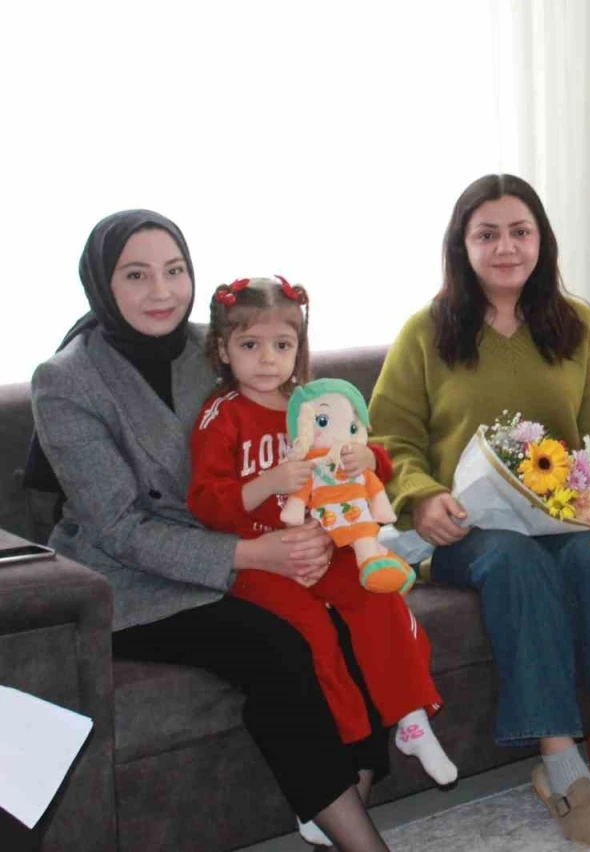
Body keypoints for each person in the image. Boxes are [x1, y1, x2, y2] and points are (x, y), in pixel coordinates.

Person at [28, 210, 394, 852]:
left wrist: (316, 529)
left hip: (244, 535)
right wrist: (254, 552)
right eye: (136, 275)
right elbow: (120, 527)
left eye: (174, 271)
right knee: (275, 648)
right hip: (128, 579)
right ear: (101, 284)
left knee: (354, 610)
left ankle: (342, 804)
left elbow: (304, 438)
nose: (161, 291)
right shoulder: (66, 380)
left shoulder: (227, 344)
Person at [369, 174, 590, 847]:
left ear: (541, 241)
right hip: (462, 528)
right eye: (488, 234)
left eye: (520, 232)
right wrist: (420, 495)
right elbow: (389, 438)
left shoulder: (576, 324)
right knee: (516, 561)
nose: (506, 248)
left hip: (560, 514)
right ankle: (560, 765)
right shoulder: (425, 332)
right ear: (462, 245)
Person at [186, 276, 458, 842]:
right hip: (260, 564)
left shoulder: (310, 404)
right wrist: (269, 481)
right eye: (250, 345)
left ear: (299, 348)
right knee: (312, 633)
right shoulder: (222, 414)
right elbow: (206, 503)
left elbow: (368, 456)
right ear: (223, 350)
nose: (267, 359)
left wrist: (371, 459)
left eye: (282, 345)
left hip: (326, 547)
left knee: (380, 597)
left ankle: (410, 717)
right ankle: (336, 774)